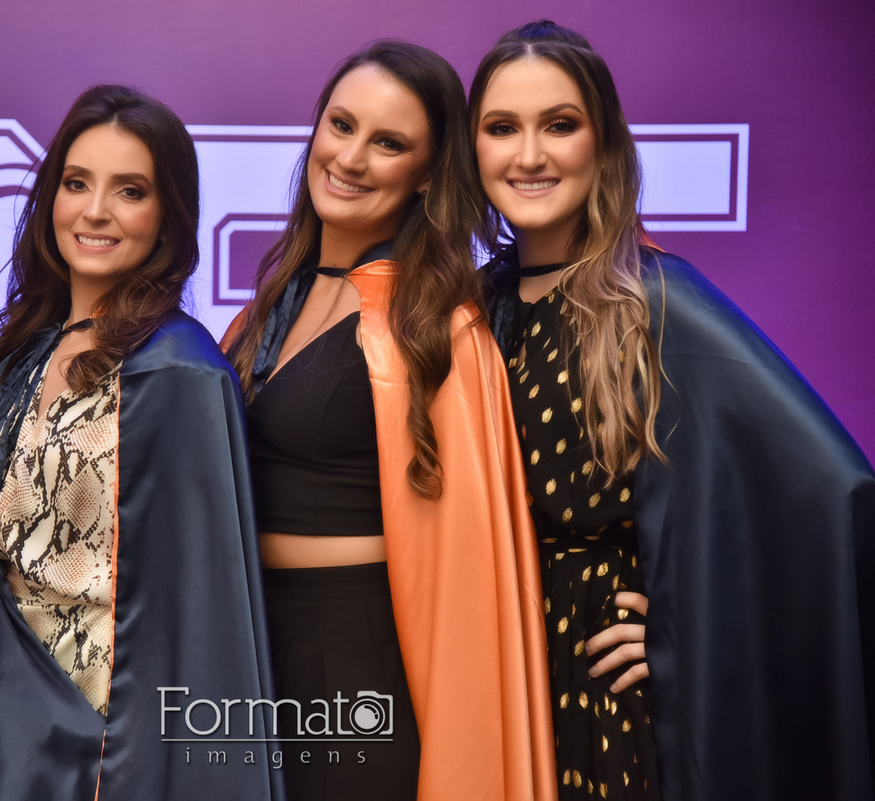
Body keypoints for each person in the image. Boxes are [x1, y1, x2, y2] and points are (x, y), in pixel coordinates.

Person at [471, 20, 875, 801]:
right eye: (502, 128)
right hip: (493, 679)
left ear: (604, 143)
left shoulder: (655, 304)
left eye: (560, 124)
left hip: (602, 696)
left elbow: (836, 498)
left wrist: (691, 630)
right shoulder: (474, 307)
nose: (529, 155)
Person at [223, 41, 555, 801]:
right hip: (252, 645)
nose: (351, 157)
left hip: (354, 658)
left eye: (389, 143)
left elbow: (474, 565)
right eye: (341, 125)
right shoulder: (271, 303)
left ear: (428, 174)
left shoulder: (437, 327)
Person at [0, 84, 281, 801]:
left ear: (168, 217)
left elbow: (200, 620)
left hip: (100, 750)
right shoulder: (24, 355)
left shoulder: (179, 372)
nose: (95, 210)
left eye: (130, 191)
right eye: (76, 183)